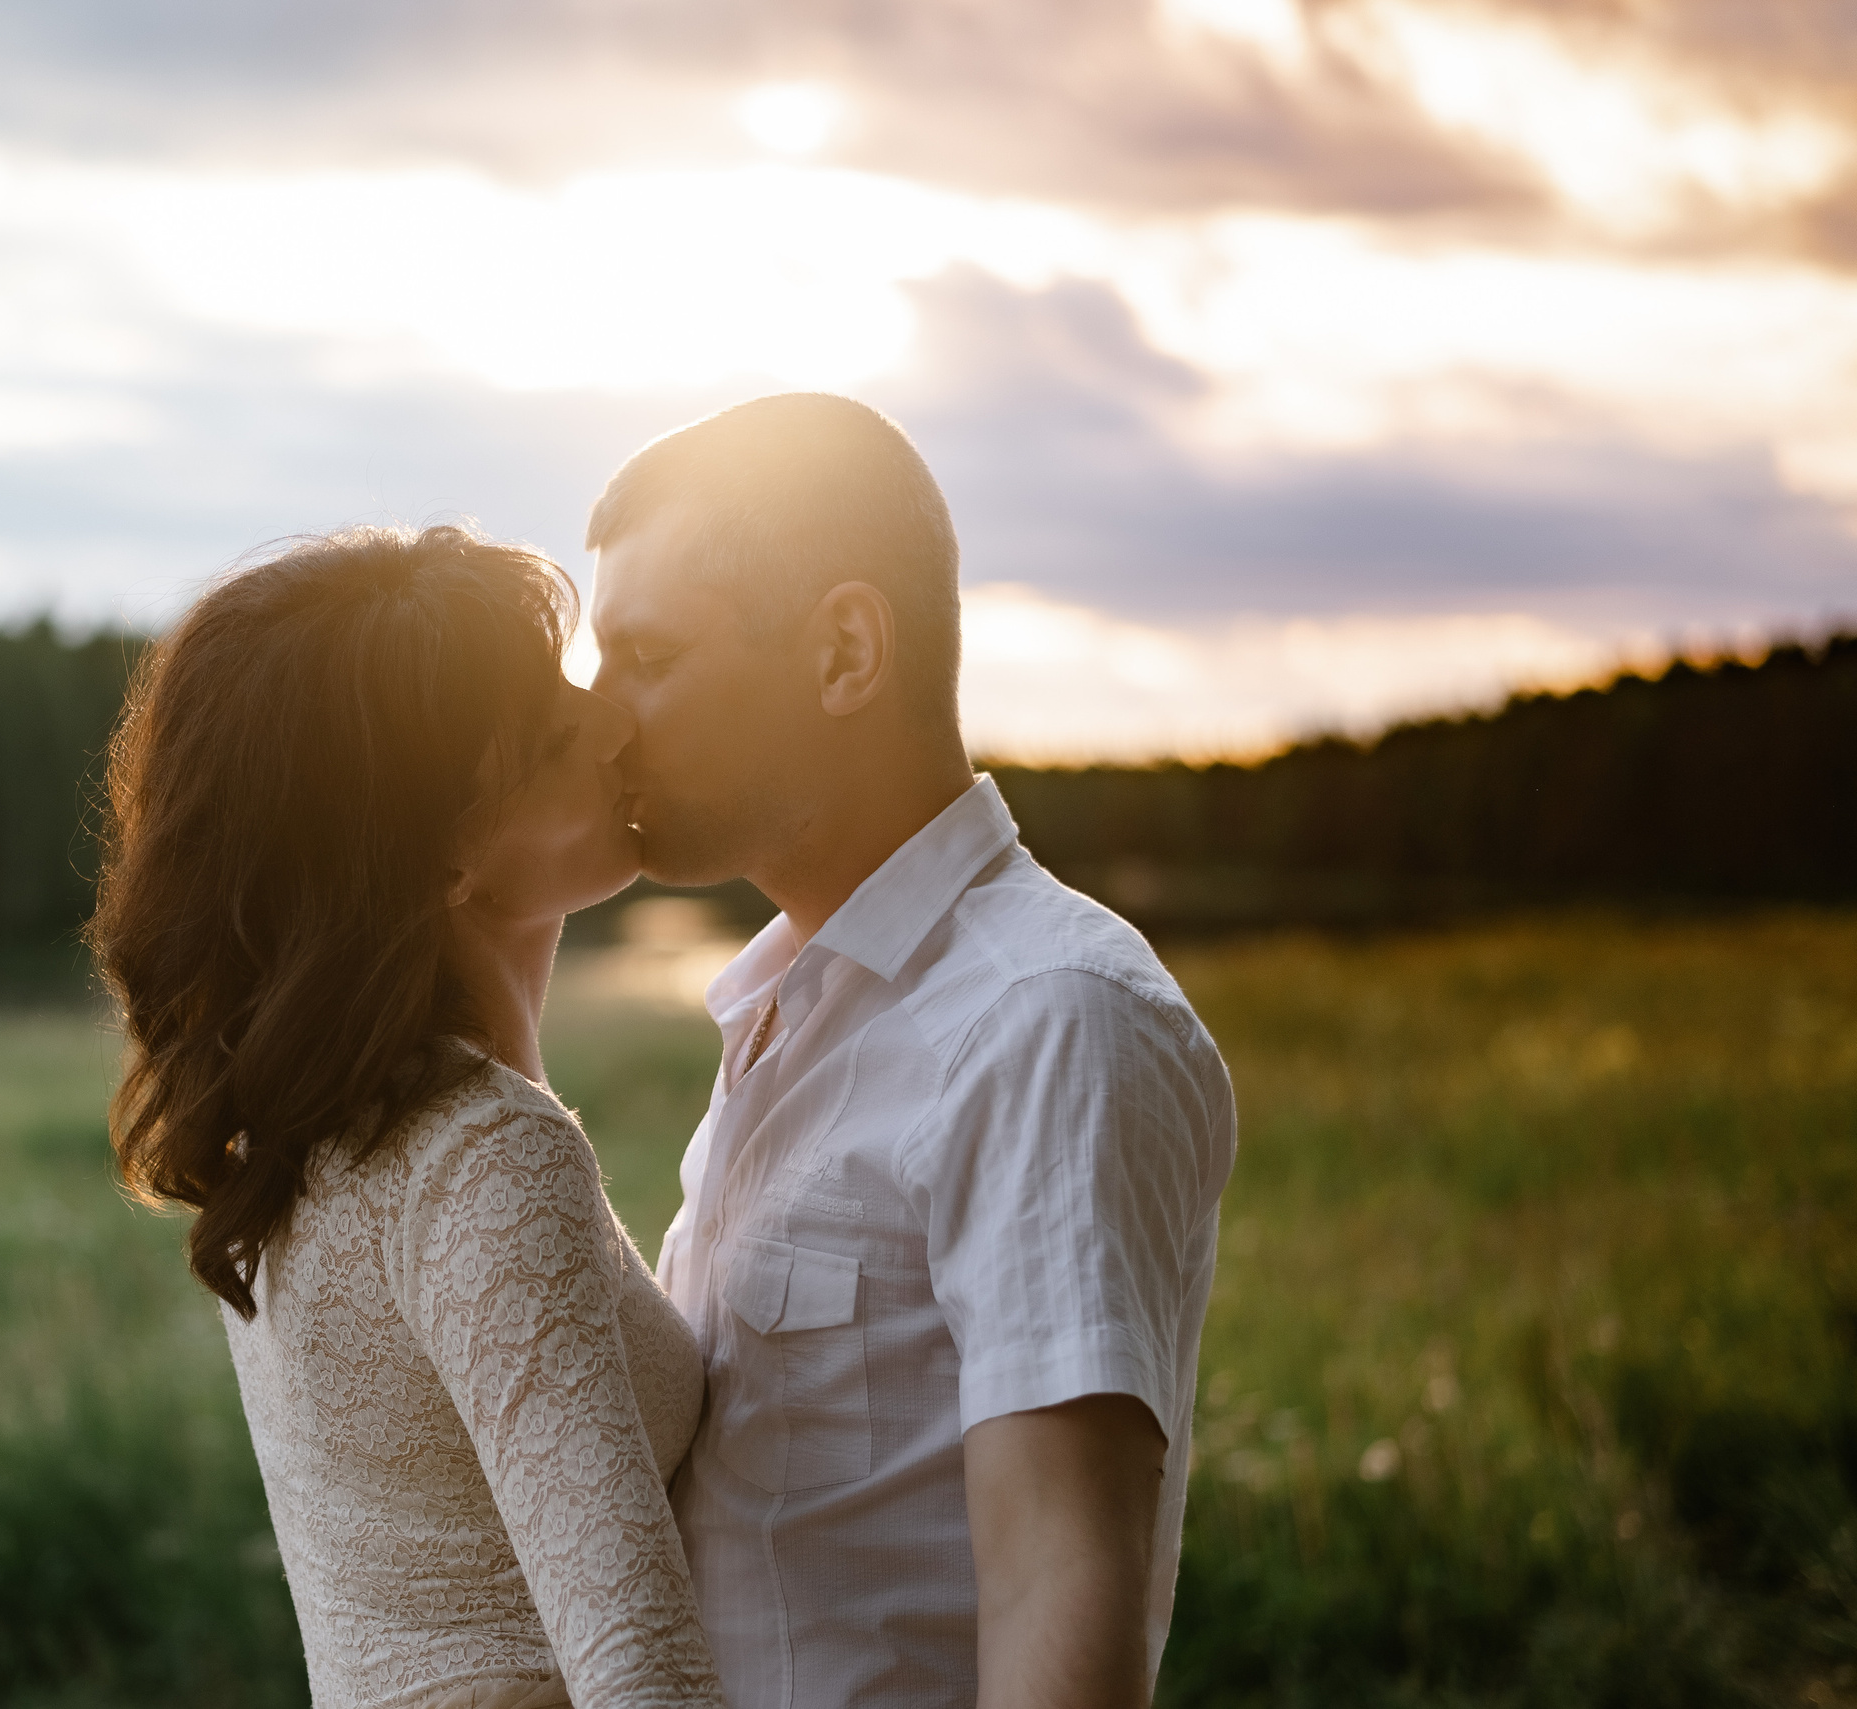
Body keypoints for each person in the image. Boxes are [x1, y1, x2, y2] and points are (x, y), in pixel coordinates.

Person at [585, 394, 1236, 1709]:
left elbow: (1059, 1589)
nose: (601, 720)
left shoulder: (1045, 1018)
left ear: (843, 651)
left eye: (647, 655)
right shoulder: (787, 1015)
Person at [89, 526, 722, 1709]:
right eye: (547, 736)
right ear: (439, 861)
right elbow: (644, 1671)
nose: (612, 721)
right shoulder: (486, 1158)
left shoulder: (304, 1145)